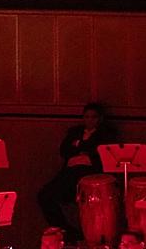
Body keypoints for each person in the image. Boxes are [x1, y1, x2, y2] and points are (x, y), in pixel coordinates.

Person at [37, 101, 118, 238]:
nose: (89, 120)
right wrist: (83, 149)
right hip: (69, 173)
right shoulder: (75, 132)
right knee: (44, 196)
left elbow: (101, 153)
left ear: (100, 118)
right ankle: (65, 231)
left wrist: (80, 147)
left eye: (93, 117)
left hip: (89, 175)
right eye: (86, 117)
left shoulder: (107, 134)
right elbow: (64, 150)